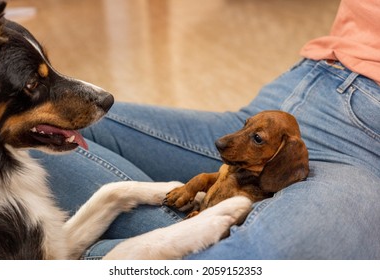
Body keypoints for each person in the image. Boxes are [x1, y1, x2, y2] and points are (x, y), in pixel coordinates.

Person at [31, 0, 380, 259]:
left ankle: (104, 255)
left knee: (265, 254)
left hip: (360, 146)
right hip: (314, 72)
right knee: (36, 129)